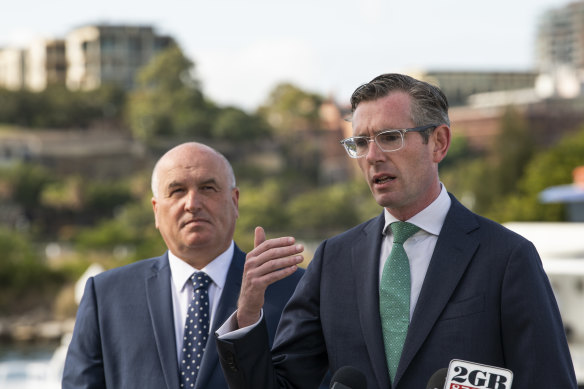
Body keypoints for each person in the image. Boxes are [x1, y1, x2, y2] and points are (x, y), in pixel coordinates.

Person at [215, 73, 577, 389]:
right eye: (360, 143)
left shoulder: (507, 257)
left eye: (390, 137)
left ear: (439, 142)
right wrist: (248, 313)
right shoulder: (333, 261)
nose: (372, 156)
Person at [62, 142, 304, 389]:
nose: (192, 203)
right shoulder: (106, 295)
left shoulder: (296, 290)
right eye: (177, 190)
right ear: (156, 210)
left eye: (208, 188)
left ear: (235, 201)